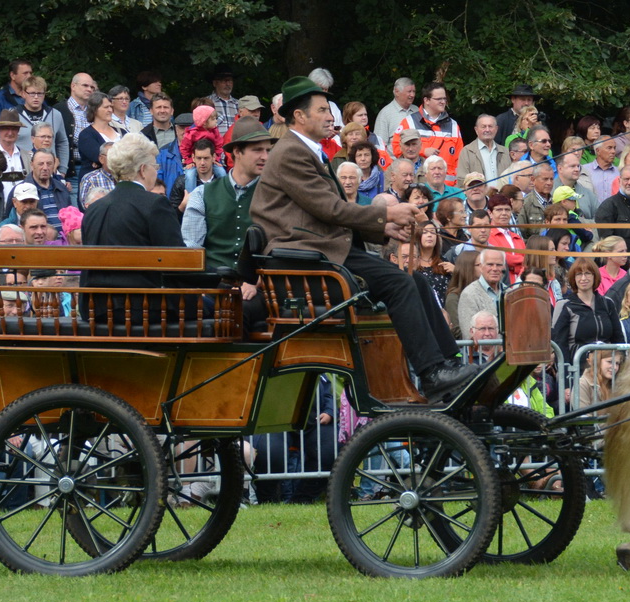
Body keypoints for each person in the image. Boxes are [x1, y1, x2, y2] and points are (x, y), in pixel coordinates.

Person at [251, 76, 474, 399]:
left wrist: (382, 227)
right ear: (299, 116)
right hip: (307, 259)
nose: (331, 116)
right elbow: (331, 209)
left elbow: (332, 211)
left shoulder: (310, 152)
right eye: (323, 110)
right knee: (400, 283)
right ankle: (431, 373)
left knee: (418, 282)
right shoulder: (290, 153)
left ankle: (448, 364)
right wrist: (386, 216)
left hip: (323, 251)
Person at [181, 117, 272, 276]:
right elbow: (192, 251)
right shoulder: (201, 194)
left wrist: (258, 280)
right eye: (257, 150)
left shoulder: (274, 194)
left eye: (268, 150)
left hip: (260, 287)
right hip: (213, 286)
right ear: (237, 152)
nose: (265, 156)